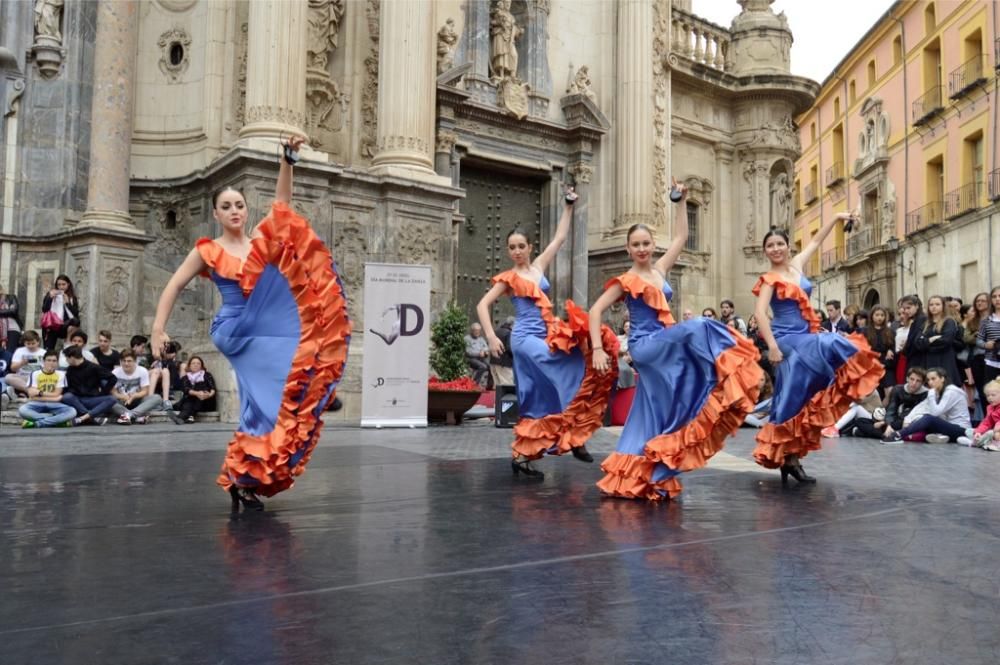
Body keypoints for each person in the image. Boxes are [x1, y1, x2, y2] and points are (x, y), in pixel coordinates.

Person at [151, 135, 350, 511]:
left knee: (260, 404)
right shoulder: (207, 250)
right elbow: (174, 284)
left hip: (265, 326)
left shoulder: (259, 239)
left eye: (239, 204)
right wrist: (158, 329)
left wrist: (287, 160)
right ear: (216, 214)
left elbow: (282, 204)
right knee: (274, 387)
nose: (235, 211)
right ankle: (312, 395)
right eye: (226, 206)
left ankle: (242, 478)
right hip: (234, 329)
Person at [589, 180, 761, 500]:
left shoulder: (659, 270)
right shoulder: (627, 280)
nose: (641, 248)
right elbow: (595, 310)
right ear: (628, 249)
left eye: (646, 243)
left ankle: (645, 474)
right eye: (636, 244)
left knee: (654, 410)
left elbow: (682, 237)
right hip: (646, 346)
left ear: (652, 244)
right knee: (698, 326)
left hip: (662, 344)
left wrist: (680, 202)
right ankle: (729, 362)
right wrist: (599, 349)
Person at [476, 186, 617, 479]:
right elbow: (482, 304)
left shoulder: (539, 266)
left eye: (520, 246)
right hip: (526, 340)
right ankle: (575, 435)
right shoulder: (509, 278)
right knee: (565, 367)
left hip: (545, 334)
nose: (516, 251)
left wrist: (568, 205)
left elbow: (560, 238)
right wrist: (490, 336)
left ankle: (522, 455)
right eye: (511, 247)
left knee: (539, 396)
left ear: (529, 247)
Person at [751, 212, 883, 483]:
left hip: (806, 335)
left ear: (788, 246)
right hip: (787, 340)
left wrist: (836, 217)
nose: (775, 249)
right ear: (765, 251)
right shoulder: (768, 279)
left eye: (779, 244)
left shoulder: (798, 264)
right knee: (830, 344)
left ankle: (791, 459)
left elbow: (817, 240)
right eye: (770, 246)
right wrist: (773, 347)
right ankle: (789, 456)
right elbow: (761, 314)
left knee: (798, 398)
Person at [883, 367, 972, 444]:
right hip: (947, 427)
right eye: (928, 380)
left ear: (942, 379)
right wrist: (907, 420)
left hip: (961, 429)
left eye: (933, 379)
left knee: (928, 419)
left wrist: (931, 394)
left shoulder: (951, 391)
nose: (930, 382)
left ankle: (898, 435)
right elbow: (921, 407)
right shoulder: (938, 392)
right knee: (920, 420)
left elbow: (935, 413)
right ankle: (940, 437)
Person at [17, 350, 76, 428]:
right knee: (22, 410)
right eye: (48, 360)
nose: (51, 363)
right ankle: (56, 421)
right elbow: (31, 394)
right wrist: (54, 398)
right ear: (43, 361)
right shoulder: (35, 374)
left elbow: (57, 394)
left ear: (57, 362)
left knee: (72, 411)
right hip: (36, 403)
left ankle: (38, 423)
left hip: (54, 404)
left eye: (54, 361)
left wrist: (39, 393)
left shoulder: (61, 375)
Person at [61, 345, 117, 426]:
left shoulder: (93, 367)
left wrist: (104, 392)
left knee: (112, 399)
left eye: (67, 358)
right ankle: (91, 417)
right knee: (67, 396)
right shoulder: (70, 370)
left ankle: (83, 418)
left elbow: (113, 378)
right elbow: (69, 388)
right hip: (78, 400)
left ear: (72, 357)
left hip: (92, 399)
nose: (66, 361)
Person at [914, 295, 962, 387]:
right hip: (928, 361)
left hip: (944, 359)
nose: (934, 307)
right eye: (931, 304)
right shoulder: (926, 323)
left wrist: (926, 343)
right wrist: (930, 340)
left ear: (943, 306)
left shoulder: (949, 321)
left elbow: (946, 341)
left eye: (937, 304)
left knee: (945, 386)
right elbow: (917, 342)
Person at [110, 349, 164, 425]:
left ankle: (129, 415)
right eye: (123, 361)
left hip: (138, 400)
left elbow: (145, 391)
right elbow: (113, 392)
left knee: (157, 398)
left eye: (129, 361)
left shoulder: (142, 371)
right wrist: (123, 396)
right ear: (120, 361)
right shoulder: (115, 372)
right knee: (109, 401)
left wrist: (134, 396)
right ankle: (138, 416)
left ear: (135, 361)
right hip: (122, 401)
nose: (126, 363)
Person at [878, 367, 929, 440]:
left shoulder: (926, 394)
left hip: (910, 422)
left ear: (923, 383)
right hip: (894, 420)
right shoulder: (898, 389)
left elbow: (914, 413)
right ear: (907, 378)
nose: (914, 383)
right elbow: (891, 410)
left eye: (918, 381)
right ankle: (892, 433)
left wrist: (891, 425)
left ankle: (891, 433)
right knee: (868, 420)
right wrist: (889, 425)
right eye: (912, 379)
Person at [40, 274, 80, 350]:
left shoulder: (72, 297)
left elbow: (76, 314)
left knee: (74, 323)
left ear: (68, 284)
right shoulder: (51, 294)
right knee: (48, 348)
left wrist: (67, 303)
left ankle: (67, 347)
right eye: (59, 285)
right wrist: (50, 298)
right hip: (52, 324)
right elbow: (45, 309)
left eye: (63, 284)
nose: (61, 287)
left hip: (64, 326)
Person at [175, 356, 217, 424]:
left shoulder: (207, 375)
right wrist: (197, 393)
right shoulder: (185, 378)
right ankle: (188, 417)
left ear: (201, 366)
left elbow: (213, 389)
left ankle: (182, 416)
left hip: (206, 402)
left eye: (198, 363)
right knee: (190, 400)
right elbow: (186, 389)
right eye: (193, 363)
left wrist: (208, 395)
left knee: (200, 387)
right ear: (189, 366)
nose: (196, 365)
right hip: (192, 401)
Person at [865, 305, 896, 396]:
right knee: (874, 393)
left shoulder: (890, 332)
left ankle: (884, 409)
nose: (880, 318)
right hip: (872, 365)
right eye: (877, 315)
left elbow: (893, 346)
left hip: (886, 365)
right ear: (872, 316)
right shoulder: (865, 331)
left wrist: (891, 350)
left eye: (882, 315)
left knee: (890, 392)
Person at [6, 330, 46, 396]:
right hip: (22, 378)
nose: (31, 346)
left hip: (37, 378)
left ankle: (24, 393)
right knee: (8, 377)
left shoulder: (43, 352)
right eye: (28, 344)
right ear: (24, 343)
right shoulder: (19, 351)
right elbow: (13, 369)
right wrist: (21, 363)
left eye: (33, 343)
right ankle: (29, 391)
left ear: (38, 342)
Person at [968, 379, 1000, 450]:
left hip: (996, 431)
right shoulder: (990, 408)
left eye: (993, 395)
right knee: (972, 431)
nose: (990, 398)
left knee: (991, 433)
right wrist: (978, 432)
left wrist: (997, 427)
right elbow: (986, 423)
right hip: (995, 432)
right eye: (988, 395)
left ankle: (977, 442)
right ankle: (978, 440)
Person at [900, 294, 928, 375]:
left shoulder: (921, 319)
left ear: (917, 306)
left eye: (908, 308)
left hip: (918, 361)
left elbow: (916, 342)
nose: (906, 311)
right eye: (904, 309)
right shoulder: (915, 320)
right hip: (914, 360)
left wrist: (906, 348)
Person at [978, 287, 1000, 385]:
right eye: (994, 297)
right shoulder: (986, 320)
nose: (997, 299)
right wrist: (986, 345)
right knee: (992, 393)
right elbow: (979, 340)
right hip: (992, 362)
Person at [489, 317, 515, 388]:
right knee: (507, 386)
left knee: (497, 386)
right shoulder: (509, 333)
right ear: (512, 325)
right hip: (504, 363)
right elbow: (509, 348)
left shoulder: (496, 331)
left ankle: (497, 399)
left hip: (493, 362)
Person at [464, 323, 491, 388]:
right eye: (476, 330)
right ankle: (475, 384)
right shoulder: (467, 339)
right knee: (483, 366)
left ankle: (489, 385)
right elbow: (468, 352)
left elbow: (486, 347)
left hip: (480, 358)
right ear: (472, 330)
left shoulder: (481, 339)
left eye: (479, 330)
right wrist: (479, 353)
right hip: (470, 359)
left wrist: (484, 351)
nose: (477, 332)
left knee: (491, 367)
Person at [0, 283, 23, 351]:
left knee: (10, 352)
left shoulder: (10, 297)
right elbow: (9, 311)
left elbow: (13, 311)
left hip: (12, 329)